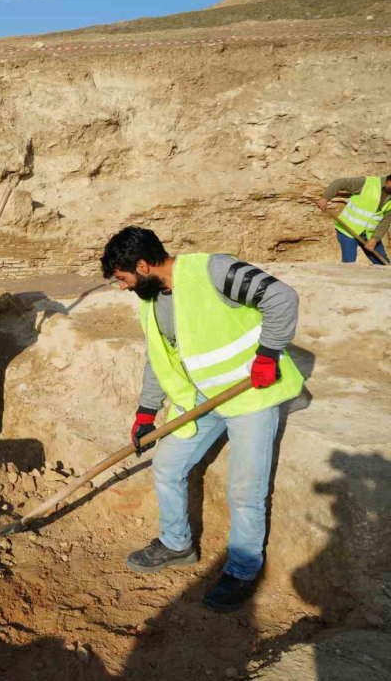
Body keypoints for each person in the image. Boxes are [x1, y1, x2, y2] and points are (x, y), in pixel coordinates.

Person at [101, 226, 304, 612]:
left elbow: (281, 297)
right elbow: (158, 357)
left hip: (250, 396)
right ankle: (177, 545)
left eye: (123, 278)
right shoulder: (153, 297)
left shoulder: (215, 270)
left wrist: (268, 353)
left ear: (143, 265)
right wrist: (146, 410)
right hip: (201, 398)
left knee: (245, 490)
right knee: (166, 465)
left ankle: (243, 570)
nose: (122, 287)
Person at [316, 173, 391, 265]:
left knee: (383, 265)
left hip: (369, 234)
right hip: (347, 230)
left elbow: (385, 221)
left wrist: (374, 239)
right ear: (389, 180)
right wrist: (325, 198)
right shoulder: (367, 183)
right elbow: (339, 183)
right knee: (349, 265)